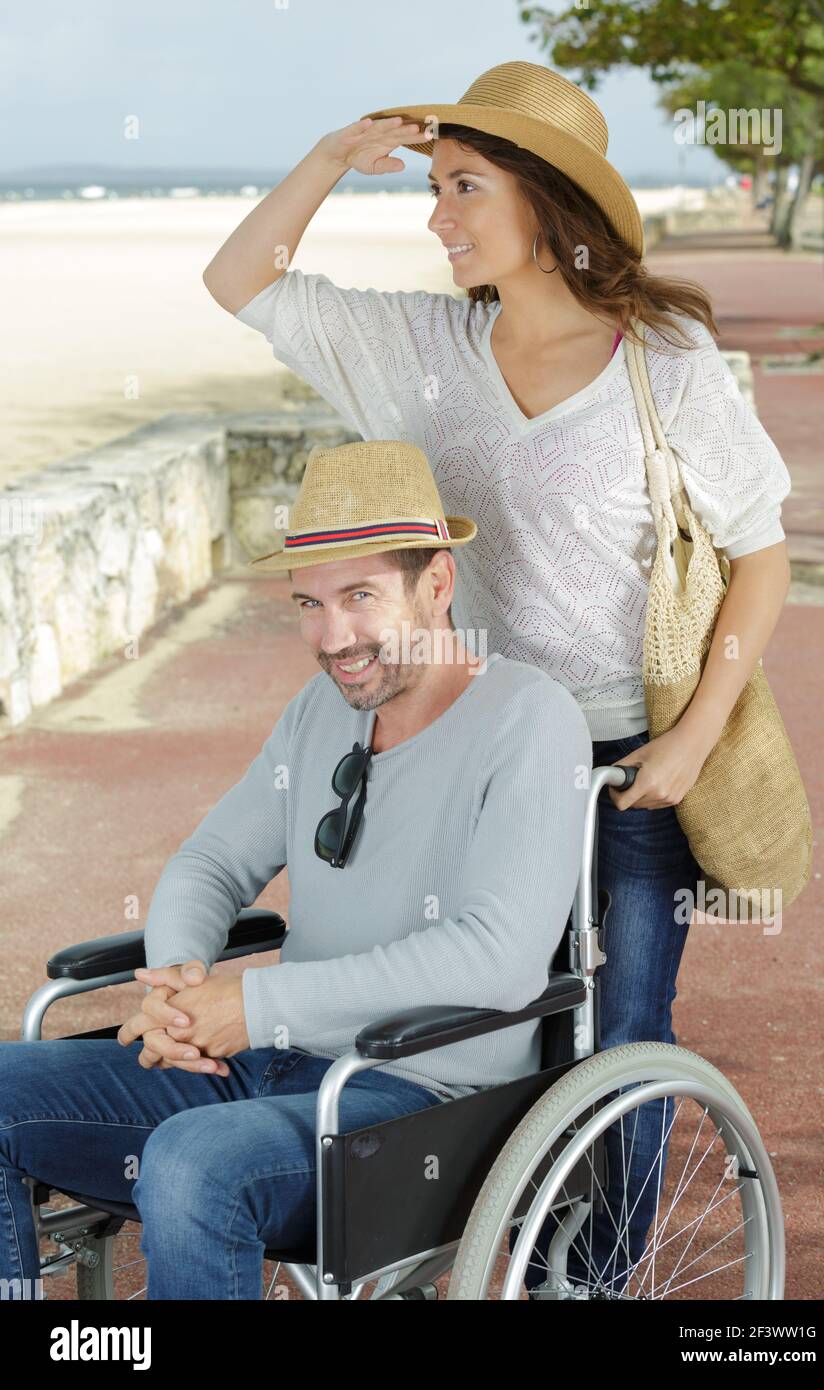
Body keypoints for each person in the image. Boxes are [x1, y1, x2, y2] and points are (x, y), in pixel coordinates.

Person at [202, 60, 793, 1295]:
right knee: (461, 1022)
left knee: (614, 1031)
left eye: (464, 186)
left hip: (618, 768)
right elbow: (238, 279)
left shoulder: (663, 361)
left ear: (545, 202)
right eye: (431, 186)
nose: (438, 215)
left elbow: (760, 554)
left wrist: (683, 748)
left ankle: (599, 1275)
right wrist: (327, 151)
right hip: (458, 755)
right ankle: (444, 1241)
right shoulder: (417, 346)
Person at [0, 439, 592, 1300]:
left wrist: (254, 1006)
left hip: (417, 1098)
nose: (333, 639)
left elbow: (497, 959)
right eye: (309, 604)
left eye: (360, 598)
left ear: (437, 584)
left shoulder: (531, 723)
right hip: (264, 1068)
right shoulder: (321, 710)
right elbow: (210, 861)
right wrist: (178, 989)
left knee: (193, 1164)